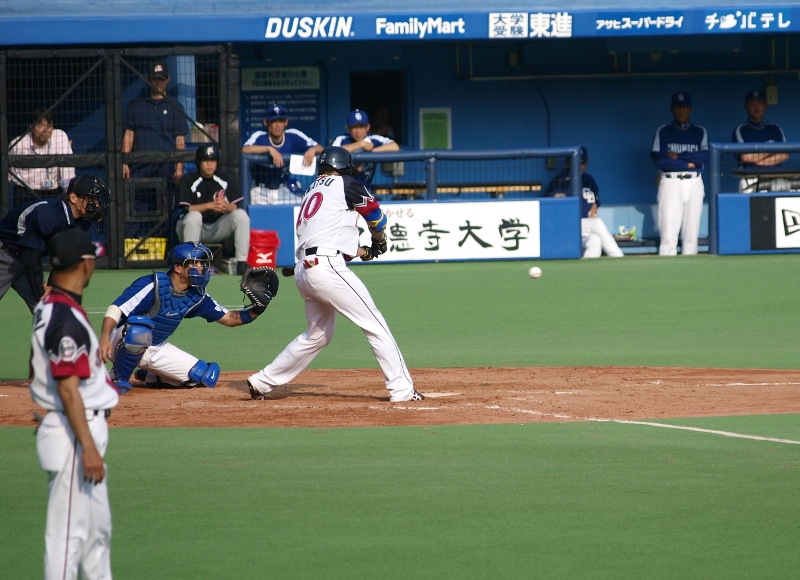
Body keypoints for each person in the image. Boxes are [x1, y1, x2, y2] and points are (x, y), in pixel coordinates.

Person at [246, 146, 424, 403]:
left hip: (305, 270)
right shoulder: (345, 183)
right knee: (376, 325)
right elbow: (376, 215)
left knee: (316, 337)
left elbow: (332, 239)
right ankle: (402, 391)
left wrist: (366, 251)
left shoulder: (310, 191)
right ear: (345, 167)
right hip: (326, 267)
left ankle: (262, 381)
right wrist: (379, 239)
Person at [30, 227, 118, 580]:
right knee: (67, 537)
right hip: (74, 435)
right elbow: (68, 389)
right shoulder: (64, 317)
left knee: (98, 533)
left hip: (73, 428)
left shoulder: (54, 306)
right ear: (83, 265)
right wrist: (87, 448)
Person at [98, 241, 271, 394]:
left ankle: (153, 376)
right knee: (139, 331)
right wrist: (105, 336)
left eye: (202, 263)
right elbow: (116, 308)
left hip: (157, 347)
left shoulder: (197, 296)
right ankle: (117, 377)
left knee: (205, 376)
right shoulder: (153, 284)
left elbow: (229, 318)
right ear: (178, 267)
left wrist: (258, 309)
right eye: (195, 263)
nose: (202, 268)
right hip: (121, 340)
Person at [0, 175, 109, 312]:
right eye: (91, 198)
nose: (97, 204)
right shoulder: (48, 214)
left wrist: (52, 290)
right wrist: (40, 291)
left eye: (98, 199)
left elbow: (61, 259)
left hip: (26, 261)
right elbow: (30, 257)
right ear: (74, 197)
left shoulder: (82, 221)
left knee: (55, 312)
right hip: (5, 255)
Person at [176, 143, 251, 275]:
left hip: (216, 228)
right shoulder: (189, 179)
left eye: (213, 160)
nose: (209, 164)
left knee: (241, 215)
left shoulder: (224, 178)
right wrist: (209, 205)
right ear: (199, 162)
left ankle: (241, 263)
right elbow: (186, 208)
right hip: (191, 229)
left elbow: (235, 205)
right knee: (194, 216)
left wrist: (226, 206)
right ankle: (190, 263)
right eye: (206, 160)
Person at [651, 92, 708, 256]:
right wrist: (687, 163)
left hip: (694, 182)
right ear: (672, 109)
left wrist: (679, 157)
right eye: (677, 107)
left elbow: (704, 156)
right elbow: (660, 160)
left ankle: (690, 273)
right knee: (668, 231)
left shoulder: (699, 131)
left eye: (684, 107)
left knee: (691, 233)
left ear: (690, 109)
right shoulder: (663, 131)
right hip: (670, 182)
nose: (681, 111)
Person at [544, 147, 623, 259]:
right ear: (567, 164)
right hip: (565, 228)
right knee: (597, 223)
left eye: (582, 162)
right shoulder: (559, 182)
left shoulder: (589, 180)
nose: (579, 165)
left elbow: (595, 205)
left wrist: (594, 209)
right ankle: (618, 257)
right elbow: (551, 208)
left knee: (595, 240)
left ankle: (587, 271)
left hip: (583, 229)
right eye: (575, 161)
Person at [122, 61, 188, 187]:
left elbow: (180, 140)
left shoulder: (175, 106)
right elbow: (128, 136)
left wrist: (179, 169)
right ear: (149, 79)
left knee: (166, 204)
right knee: (139, 205)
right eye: (155, 79)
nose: (158, 83)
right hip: (140, 165)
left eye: (161, 79)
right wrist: (124, 162)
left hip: (166, 166)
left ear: (168, 79)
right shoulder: (136, 106)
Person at [241, 104, 323, 204]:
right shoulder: (260, 136)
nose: (278, 125)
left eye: (281, 121)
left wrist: (312, 150)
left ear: (286, 122)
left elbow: (320, 148)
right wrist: (268, 149)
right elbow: (245, 149)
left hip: (282, 189)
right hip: (259, 190)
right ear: (266, 122)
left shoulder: (293, 135)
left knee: (301, 208)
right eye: (274, 121)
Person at [8, 108, 76, 207]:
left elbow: (67, 170)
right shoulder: (17, 144)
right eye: (40, 125)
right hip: (25, 193)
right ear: (31, 126)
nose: (45, 130)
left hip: (52, 192)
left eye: (49, 126)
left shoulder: (60, 137)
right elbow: (9, 175)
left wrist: (69, 194)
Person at [732, 89, 789, 192]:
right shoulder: (741, 130)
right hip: (750, 178)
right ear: (746, 107)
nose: (756, 107)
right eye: (752, 104)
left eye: (759, 103)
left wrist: (762, 162)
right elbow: (745, 157)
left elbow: (784, 154)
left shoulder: (774, 128)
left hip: (774, 177)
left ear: (765, 106)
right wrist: (772, 151)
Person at [331, 109, 400, 188]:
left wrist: (372, 151)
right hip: (344, 193)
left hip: (365, 191)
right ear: (348, 128)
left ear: (368, 127)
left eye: (361, 126)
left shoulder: (374, 139)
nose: (358, 131)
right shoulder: (342, 139)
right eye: (354, 127)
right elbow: (333, 153)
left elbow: (395, 147)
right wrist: (361, 144)